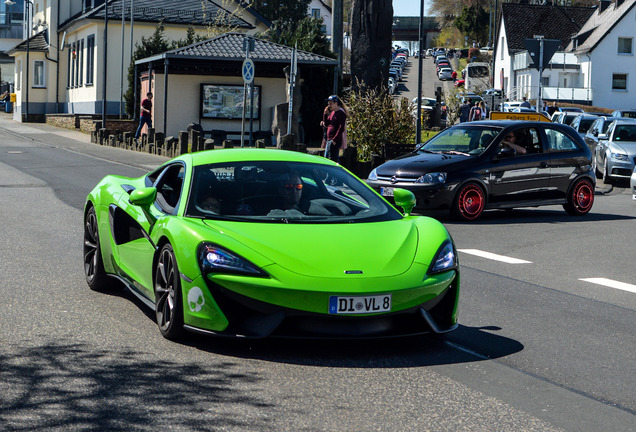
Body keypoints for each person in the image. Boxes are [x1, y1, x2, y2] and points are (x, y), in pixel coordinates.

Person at [320, 95, 348, 163]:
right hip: (329, 139)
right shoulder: (332, 112)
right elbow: (327, 124)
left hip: (334, 140)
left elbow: (341, 128)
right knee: (326, 158)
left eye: (331, 103)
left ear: (336, 103)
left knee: (332, 159)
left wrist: (335, 139)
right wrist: (325, 114)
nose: (329, 106)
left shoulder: (341, 113)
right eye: (328, 104)